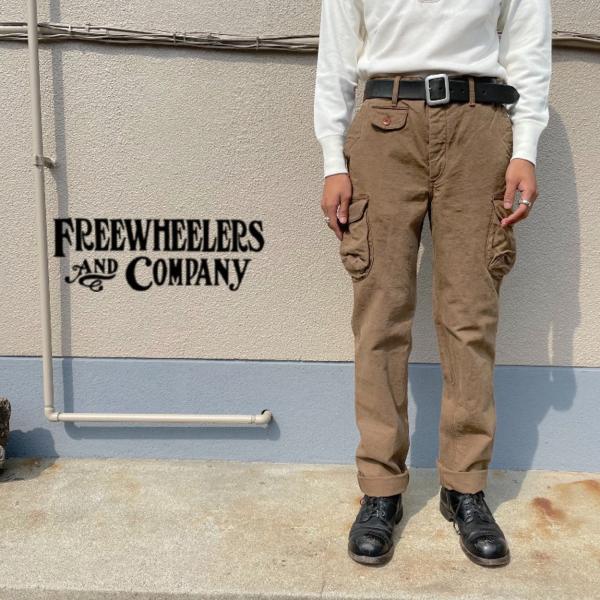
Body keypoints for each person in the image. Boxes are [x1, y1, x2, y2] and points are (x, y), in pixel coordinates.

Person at [313, 0, 552, 567]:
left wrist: (525, 150)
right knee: (380, 317)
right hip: (384, 125)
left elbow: (528, 48)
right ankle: (380, 489)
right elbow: (336, 60)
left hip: (480, 126)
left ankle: (464, 486)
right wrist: (332, 161)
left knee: (471, 317)